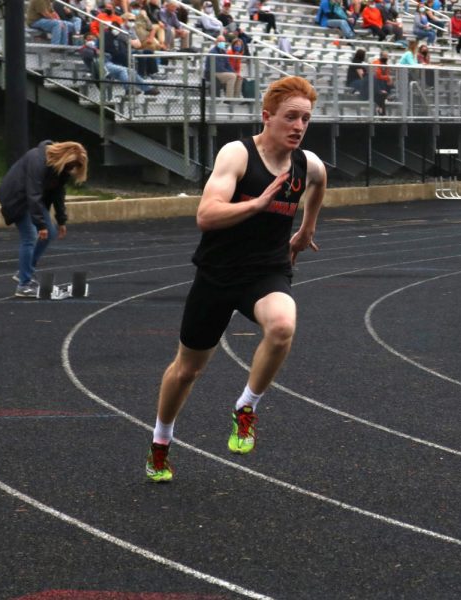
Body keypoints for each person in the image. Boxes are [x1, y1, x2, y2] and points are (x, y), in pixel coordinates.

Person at [144, 76, 327, 482]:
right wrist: (259, 204)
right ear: (267, 117)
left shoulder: (305, 163)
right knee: (187, 370)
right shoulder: (237, 155)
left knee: (282, 326)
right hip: (217, 275)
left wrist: (308, 228)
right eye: (290, 117)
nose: (298, 126)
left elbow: (320, 181)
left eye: (306, 119)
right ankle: (160, 442)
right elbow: (205, 216)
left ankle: (246, 407)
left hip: (266, 272)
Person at [0, 141, 88, 297]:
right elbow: (33, 192)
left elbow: (58, 194)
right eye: (72, 165)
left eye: (75, 167)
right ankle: (23, 285)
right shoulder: (36, 159)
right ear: (64, 157)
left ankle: (24, 271)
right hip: (16, 197)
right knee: (30, 237)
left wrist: (61, 220)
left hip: (32, 199)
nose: (72, 169)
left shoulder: (61, 169)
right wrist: (41, 225)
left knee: (51, 233)